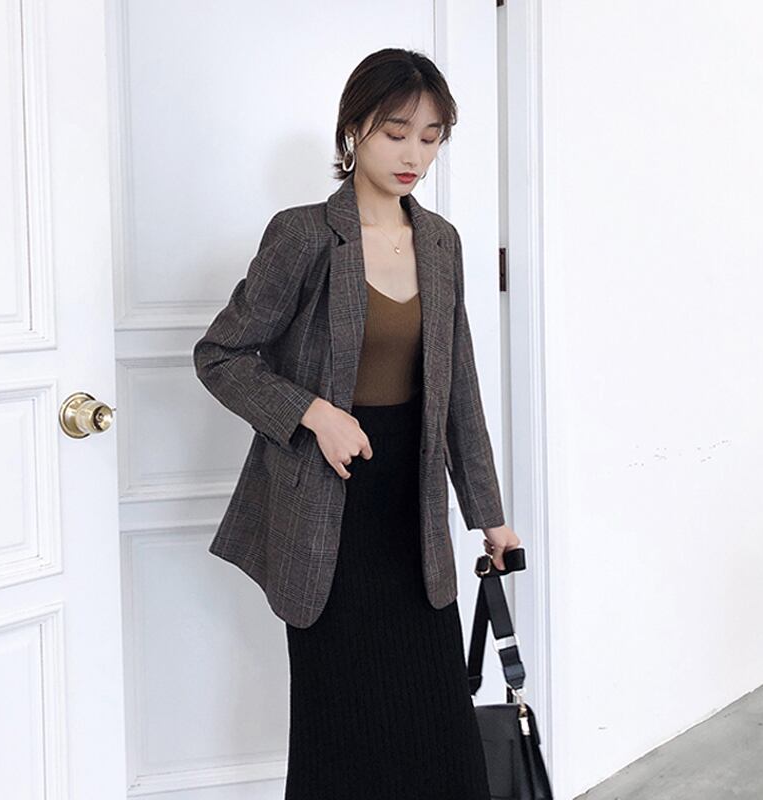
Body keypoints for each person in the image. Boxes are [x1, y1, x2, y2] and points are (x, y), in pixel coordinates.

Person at [194, 47, 521, 800]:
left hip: (414, 515)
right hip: (325, 515)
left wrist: (490, 516)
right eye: (396, 133)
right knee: (340, 738)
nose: (414, 156)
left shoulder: (441, 242)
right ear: (354, 130)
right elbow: (220, 355)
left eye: (431, 138)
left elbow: (458, 390)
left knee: (442, 738)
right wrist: (314, 415)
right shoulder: (305, 235)